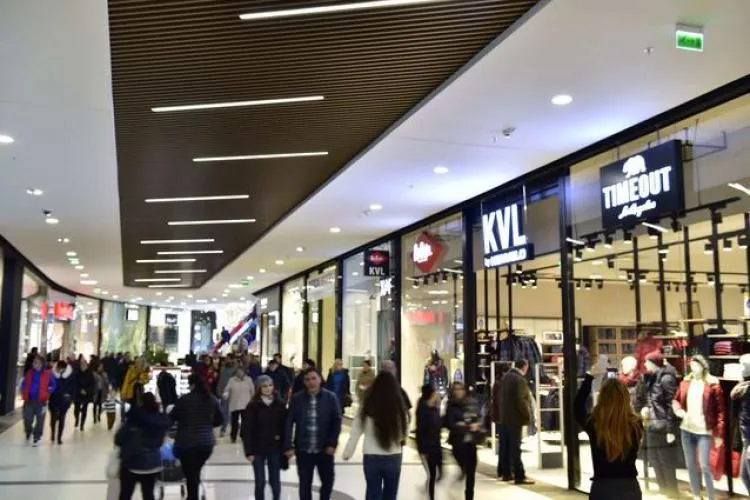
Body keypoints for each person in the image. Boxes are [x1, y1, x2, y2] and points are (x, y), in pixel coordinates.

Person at [575, 364, 644, 499]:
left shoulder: (595, 424)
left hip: (603, 487)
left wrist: (590, 377)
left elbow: (578, 406)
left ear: (602, 399)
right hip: (629, 486)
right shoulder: (636, 424)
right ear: (625, 398)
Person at [343, 371, 408, 500]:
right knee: (390, 493)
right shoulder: (399, 408)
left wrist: (347, 453)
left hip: (371, 456)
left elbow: (355, 431)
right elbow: (404, 432)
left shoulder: (366, 406)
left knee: (373, 493)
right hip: (393, 456)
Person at [672, 355, 725, 500]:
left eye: (696, 365)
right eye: (692, 365)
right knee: (690, 464)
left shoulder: (712, 384)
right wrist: (678, 410)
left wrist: (719, 434)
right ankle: (696, 495)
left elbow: (720, 411)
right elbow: (676, 400)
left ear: (703, 367)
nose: (693, 368)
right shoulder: (685, 382)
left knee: (704, 465)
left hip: (704, 431)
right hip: (686, 429)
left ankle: (710, 496)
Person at [285, 368, 342, 500]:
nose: (311, 382)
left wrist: (332, 443)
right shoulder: (297, 398)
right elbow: (289, 421)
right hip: (304, 450)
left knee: (328, 481)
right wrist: (288, 445)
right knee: (305, 484)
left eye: (314, 378)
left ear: (320, 380)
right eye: (307, 379)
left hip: (324, 449)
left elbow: (337, 421)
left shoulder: (330, 397)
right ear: (304, 382)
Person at [170, 373, 222, 500]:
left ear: (192, 385)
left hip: (187, 443)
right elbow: (220, 419)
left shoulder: (184, 400)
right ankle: (193, 496)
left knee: (191, 474)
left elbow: (171, 418)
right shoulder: (212, 399)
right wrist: (208, 425)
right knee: (194, 472)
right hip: (206, 443)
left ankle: (193, 497)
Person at [636, 351, 678, 498]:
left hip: (662, 424)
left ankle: (672, 492)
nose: (645, 364)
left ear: (654, 363)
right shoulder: (652, 377)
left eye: (647, 362)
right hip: (652, 423)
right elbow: (650, 399)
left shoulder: (666, 379)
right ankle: (663, 490)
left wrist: (670, 429)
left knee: (665, 460)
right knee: (654, 458)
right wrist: (645, 408)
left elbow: (671, 404)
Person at [116, 392, 172, 500]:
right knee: (148, 494)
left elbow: (118, 440)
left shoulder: (134, 419)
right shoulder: (160, 420)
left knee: (125, 494)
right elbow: (161, 442)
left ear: (141, 403)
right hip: (152, 464)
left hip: (132, 463)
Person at [243, 375, 288, 500]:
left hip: (275, 447)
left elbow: (285, 427)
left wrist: (286, 446)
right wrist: (249, 451)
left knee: (275, 481)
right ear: (259, 388)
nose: (268, 388)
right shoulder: (252, 406)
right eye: (264, 386)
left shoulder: (279, 404)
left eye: (270, 385)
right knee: (260, 482)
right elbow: (246, 430)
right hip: (257, 448)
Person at [498, 359, 534, 485]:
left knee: (506, 447)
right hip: (515, 419)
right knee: (515, 448)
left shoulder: (506, 378)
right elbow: (521, 400)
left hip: (505, 418)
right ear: (525, 367)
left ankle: (506, 474)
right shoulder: (519, 380)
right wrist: (528, 415)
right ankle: (519, 476)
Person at [444, 381, 481, 500]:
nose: (459, 391)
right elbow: (450, 424)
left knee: (471, 471)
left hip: (470, 442)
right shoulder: (451, 405)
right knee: (465, 467)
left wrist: (471, 425)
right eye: (456, 389)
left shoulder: (470, 403)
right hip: (458, 443)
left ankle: (469, 496)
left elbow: (477, 418)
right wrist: (467, 426)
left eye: (460, 389)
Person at [21, 354, 56, 446]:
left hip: (42, 402)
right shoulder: (29, 373)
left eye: (37, 363)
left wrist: (48, 392)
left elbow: (53, 385)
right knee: (27, 418)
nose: (35, 364)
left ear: (42, 364)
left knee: (40, 420)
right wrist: (23, 390)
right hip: (29, 401)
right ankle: (28, 431)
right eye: (34, 362)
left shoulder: (47, 374)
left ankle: (37, 436)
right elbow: (24, 383)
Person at [416, 384, 442, 500]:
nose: (436, 394)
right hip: (426, 447)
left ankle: (428, 493)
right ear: (431, 394)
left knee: (436, 474)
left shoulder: (434, 408)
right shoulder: (423, 410)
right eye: (434, 392)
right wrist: (422, 449)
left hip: (435, 445)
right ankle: (430, 496)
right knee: (432, 474)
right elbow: (422, 430)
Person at [731, 354, 750, 493]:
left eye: (743, 366)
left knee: (746, 474)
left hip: (749, 439)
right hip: (746, 438)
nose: (741, 369)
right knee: (744, 475)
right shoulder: (743, 388)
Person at [223, 364, 255, 443]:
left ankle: (243, 435)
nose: (240, 373)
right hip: (235, 404)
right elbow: (227, 389)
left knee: (245, 421)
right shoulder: (232, 380)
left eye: (241, 371)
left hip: (246, 404)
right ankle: (233, 436)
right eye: (238, 371)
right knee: (234, 422)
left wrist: (253, 400)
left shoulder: (248, 380)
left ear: (244, 372)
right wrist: (226, 394)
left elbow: (252, 391)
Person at [490, 363, 511, 479]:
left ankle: (501, 470)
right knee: (505, 445)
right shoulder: (502, 384)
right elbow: (500, 402)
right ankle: (504, 470)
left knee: (503, 445)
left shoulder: (497, 383)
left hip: (500, 418)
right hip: (504, 418)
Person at [49, 360, 74, 445]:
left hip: (64, 400)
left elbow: (72, 387)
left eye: (62, 369)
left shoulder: (70, 375)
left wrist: (69, 395)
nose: (60, 370)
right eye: (59, 368)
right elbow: (49, 384)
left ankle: (59, 437)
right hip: (54, 399)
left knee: (62, 418)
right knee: (53, 418)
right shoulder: (52, 374)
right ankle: (52, 434)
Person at [73, 359, 95, 431]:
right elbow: (74, 383)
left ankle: (82, 425)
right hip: (77, 393)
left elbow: (92, 384)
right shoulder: (76, 372)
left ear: (87, 366)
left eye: (84, 365)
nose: (83, 366)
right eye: (82, 365)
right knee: (76, 409)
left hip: (86, 394)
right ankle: (77, 418)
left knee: (84, 410)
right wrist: (80, 390)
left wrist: (87, 391)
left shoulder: (90, 373)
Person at [217, 356, 236, 437]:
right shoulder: (222, 369)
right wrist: (219, 391)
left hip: (231, 393)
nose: (227, 360)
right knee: (224, 411)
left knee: (230, 412)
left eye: (229, 359)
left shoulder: (235, 369)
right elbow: (220, 381)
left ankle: (230, 429)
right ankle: (224, 429)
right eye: (226, 359)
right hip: (224, 393)